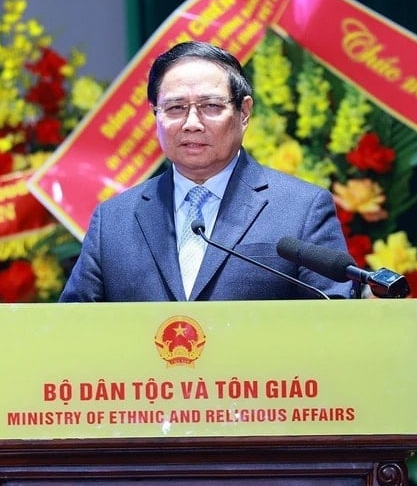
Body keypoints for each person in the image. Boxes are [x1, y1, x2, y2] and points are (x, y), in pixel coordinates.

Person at [59, 41, 354, 302]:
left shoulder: (301, 208)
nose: (191, 123)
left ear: (244, 112)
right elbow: (72, 331)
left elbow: (334, 323)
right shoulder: (113, 220)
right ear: (155, 115)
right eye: (174, 108)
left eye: (210, 106)